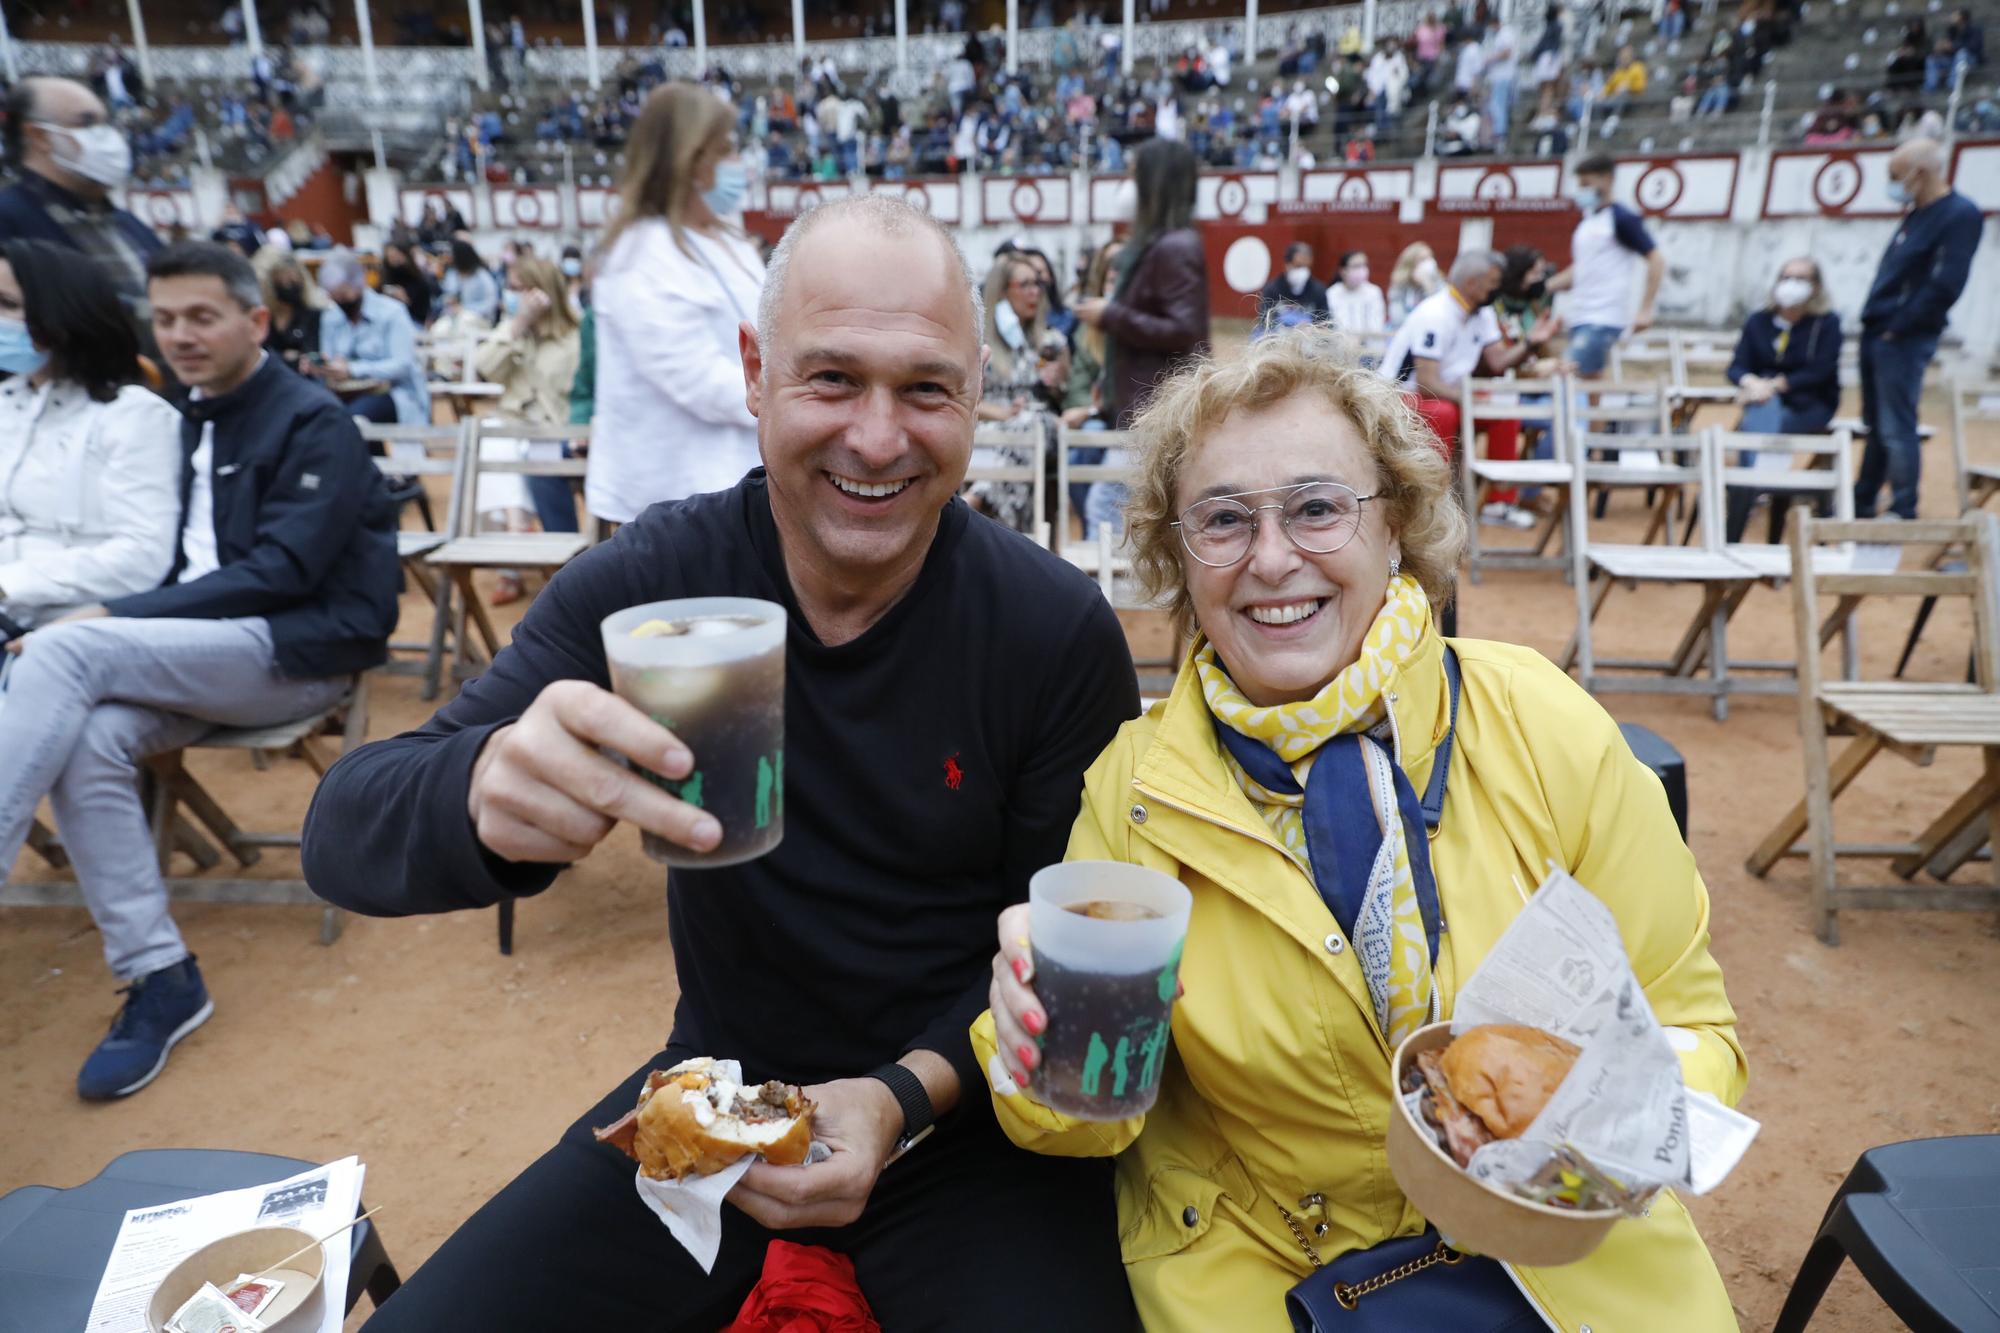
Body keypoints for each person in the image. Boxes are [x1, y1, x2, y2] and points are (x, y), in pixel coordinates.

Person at [297, 195, 1140, 1330]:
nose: (878, 437)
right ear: (754, 370)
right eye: (831, 378)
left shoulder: (1048, 629)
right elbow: (342, 829)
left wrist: (899, 1098)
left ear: (976, 396)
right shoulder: (657, 589)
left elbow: (1058, 965)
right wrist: (479, 787)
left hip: (965, 1125)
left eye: (925, 387)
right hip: (715, 1105)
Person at [973, 326, 1748, 1332]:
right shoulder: (1134, 788)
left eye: (1314, 508)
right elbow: (1080, 1122)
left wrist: (1583, 1127)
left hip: (1556, 1256)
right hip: (1264, 1273)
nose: (1269, 558)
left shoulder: (1541, 724)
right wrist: (1041, 1048)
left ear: (1396, 526)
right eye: (1220, 521)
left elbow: (1696, 1030)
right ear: (1177, 556)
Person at [0, 241, 398, 1100]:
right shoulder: (173, 413)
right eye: (167, 317)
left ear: (256, 320)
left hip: (296, 651)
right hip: (200, 655)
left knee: (67, 649)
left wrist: (111, 613)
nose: (181, 334)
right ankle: (159, 973)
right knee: (92, 738)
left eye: (202, 316)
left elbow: (283, 573)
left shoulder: (309, 418)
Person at [589, 82, 764, 527]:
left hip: (737, 483)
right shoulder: (639, 254)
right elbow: (696, 379)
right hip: (666, 501)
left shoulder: (729, 240)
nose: (736, 164)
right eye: (724, 151)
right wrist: (791, 396)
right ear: (690, 161)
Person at [0, 239, 181, 632]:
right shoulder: (8, 400)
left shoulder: (134, 416)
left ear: (59, 313)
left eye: (7, 305)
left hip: (73, 626)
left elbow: (142, 556)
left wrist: (9, 585)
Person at [1853, 137, 1982, 520]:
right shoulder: (1915, 213)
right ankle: (1862, 502)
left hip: (1904, 336)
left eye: (1895, 175)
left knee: (1896, 424)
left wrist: (1900, 327)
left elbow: (1946, 284)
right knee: (1875, 423)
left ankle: (1904, 506)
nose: (1892, 183)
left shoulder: (1959, 214)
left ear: (1919, 173)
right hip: (1878, 329)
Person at [0, 78, 158, 338]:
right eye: (87, 123)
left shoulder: (128, 223)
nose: (108, 135)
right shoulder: (9, 222)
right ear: (39, 136)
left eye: (105, 123)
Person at [1075, 138, 1209, 430]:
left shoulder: (1176, 247)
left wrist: (1111, 315)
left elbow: (1183, 329)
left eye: (1133, 175)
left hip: (1159, 409)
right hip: (1144, 404)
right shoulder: (1158, 244)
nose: (1126, 184)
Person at [1381, 248, 1558, 457]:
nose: (1498, 288)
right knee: (1444, 412)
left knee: (1505, 411)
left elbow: (1497, 362)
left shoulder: (1484, 313)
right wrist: (1467, 398)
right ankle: (1438, 486)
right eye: (1493, 282)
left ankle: (1501, 487)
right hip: (1401, 395)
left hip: (1448, 396)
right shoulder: (1435, 313)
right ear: (1472, 283)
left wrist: (1530, 343)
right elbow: (1426, 383)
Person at [1723, 257, 1843, 540]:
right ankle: (1756, 486)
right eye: (1786, 277)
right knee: (1763, 409)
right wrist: (1751, 382)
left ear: (1816, 287)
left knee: (1761, 413)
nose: (1791, 285)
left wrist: (1776, 385)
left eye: (1801, 279)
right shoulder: (1759, 321)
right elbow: (1737, 366)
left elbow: (1821, 370)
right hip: (1761, 401)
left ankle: (1746, 491)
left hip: (1809, 404)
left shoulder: (1825, 323)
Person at [478, 252, 584, 552]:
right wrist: (518, 325)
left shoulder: (575, 337)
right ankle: (514, 539)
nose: (513, 296)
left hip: (556, 432)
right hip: (514, 427)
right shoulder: (512, 330)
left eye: (519, 288)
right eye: (510, 288)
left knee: (535, 455)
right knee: (495, 442)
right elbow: (485, 368)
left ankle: (528, 549)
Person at [1545, 151, 1665, 378]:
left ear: (1608, 180)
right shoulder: (1589, 221)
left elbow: (1656, 259)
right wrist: (1546, 286)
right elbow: (1581, 269)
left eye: (1587, 184)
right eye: (1580, 185)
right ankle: (1592, 415)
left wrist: (1645, 309)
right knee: (1589, 382)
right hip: (1581, 314)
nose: (1583, 191)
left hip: (1603, 316)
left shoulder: (1621, 219)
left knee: (1565, 374)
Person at [971, 251, 1052, 532]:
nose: (1034, 293)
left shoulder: (1048, 341)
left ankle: (980, 496)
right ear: (1003, 292)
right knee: (1020, 435)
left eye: (1037, 284)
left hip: (1034, 429)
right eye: (1025, 284)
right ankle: (1008, 534)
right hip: (991, 430)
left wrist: (1057, 377)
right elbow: (961, 399)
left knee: (1032, 425)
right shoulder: (979, 344)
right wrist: (1002, 414)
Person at [312, 249, 429, 427]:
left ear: (360, 284)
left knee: (352, 419)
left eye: (344, 295)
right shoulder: (331, 316)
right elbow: (329, 356)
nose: (340, 302)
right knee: (317, 417)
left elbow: (402, 365)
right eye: (335, 297)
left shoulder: (392, 312)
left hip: (394, 392)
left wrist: (352, 369)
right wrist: (322, 367)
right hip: (344, 393)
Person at [257, 252, 322, 374]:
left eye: (293, 282)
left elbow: (311, 353)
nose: (289, 287)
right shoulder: (264, 315)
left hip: (303, 377)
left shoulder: (312, 313)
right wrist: (285, 357)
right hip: (268, 375)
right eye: (283, 283)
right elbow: (258, 352)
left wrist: (282, 357)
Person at [1256, 241, 1330, 327]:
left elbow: (1325, 320)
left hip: (1309, 336)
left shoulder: (1318, 290)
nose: (1301, 272)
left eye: (1305, 267)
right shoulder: (1272, 289)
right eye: (1297, 266)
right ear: (1287, 264)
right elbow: (1264, 319)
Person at [1325, 249, 1387, 335]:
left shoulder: (1373, 292)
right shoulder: (1332, 293)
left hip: (1369, 343)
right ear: (1343, 271)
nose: (1361, 270)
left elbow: (1376, 325)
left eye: (1364, 265)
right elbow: (1333, 325)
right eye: (1356, 266)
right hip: (1340, 343)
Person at [441, 238, 501, 325]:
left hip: (479, 318)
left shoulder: (481, 276)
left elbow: (491, 303)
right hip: (454, 316)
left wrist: (465, 309)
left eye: (452, 255)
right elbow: (447, 295)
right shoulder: (452, 274)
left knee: (465, 320)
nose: (449, 258)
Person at [379, 240, 435, 326]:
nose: (394, 260)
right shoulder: (385, 277)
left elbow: (422, 311)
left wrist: (406, 300)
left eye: (397, 256)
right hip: (389, 321)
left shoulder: (418, 280)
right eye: (390, 257)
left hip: (413, 320)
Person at [1386, 241, 1442, 327]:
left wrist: (1428, 285)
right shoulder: (1399, 285)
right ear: (1410, 264)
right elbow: (1397, 318)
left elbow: (1439, 313)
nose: (1429, 263)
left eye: (1430, 258)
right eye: (1423, 259)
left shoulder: (1440, 284)